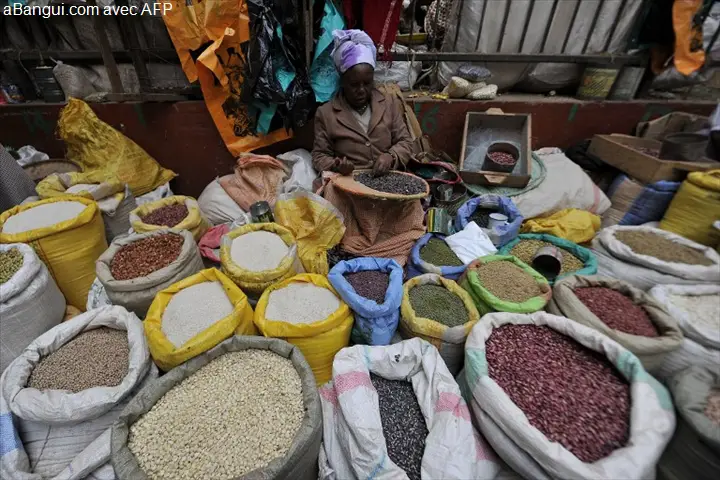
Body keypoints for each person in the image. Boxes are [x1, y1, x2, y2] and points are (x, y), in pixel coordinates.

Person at [312, 29, 415, 176]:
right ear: (342, 82)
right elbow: (319, 156)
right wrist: (336, 165)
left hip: (388, 177)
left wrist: (391, 156)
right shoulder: (326, 113)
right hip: (348, 181)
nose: (361, 90)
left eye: (367, 83)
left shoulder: (389, 103)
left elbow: (405, 142)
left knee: (413, 200)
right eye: (354, 84)